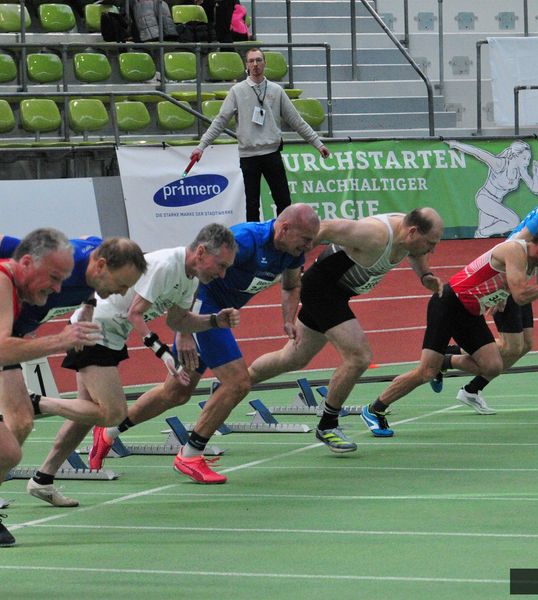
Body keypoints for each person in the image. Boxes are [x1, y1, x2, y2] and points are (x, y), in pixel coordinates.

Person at [88, 204, 320, 485]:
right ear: (284, 228)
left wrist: (288, 319)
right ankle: (191, 454)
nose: (309, 246)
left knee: (176, 391)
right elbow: (198, 271)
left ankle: (109, 431)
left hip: (215, 317)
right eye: (305, 239)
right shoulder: (246, 240)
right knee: (238, 382)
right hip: (203, 308)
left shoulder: (292, 252)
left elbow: (291, 285)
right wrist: (185, 330)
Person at [28, 224, 240, 508]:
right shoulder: (167, 265)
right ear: (201, 252)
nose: (222, 274)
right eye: (221, 265)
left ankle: (42, 479)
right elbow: (135, 313)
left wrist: (214, 320)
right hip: (94, 332)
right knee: (113, 413)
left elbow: (178, 321)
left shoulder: (190, 279)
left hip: (112, 337)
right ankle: (36, 403)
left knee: (84, 413)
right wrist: (163, 353)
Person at [249, 209, 444, 453]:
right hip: (321, 290)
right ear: (413, 232)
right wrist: (290, 262)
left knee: (292, 358)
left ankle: (238, 382)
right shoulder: (374, 234)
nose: (432, 250)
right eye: (430, 243)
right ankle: (328, 425)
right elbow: (324, 228)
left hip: (336, 295)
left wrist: (425, 275)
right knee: (359, 357)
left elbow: (415, 251)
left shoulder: (408, 238)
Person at [361, 225, 538, 437]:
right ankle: (374, 409)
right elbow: (521, 296)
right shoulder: (515, 250)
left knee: (493, 367)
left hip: (470, 313)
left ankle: (445, 361)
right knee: (426, 372)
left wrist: (500, 296)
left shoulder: (531, 262)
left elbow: (504, 284)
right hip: (448, 304)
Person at [0, 234, 147, 506]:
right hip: (6, 340)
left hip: (14, 339)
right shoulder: (60, 259)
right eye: (121, 284)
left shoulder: (96, 257)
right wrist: (60, 340)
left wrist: (89, 305)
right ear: (101, 266)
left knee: (20, 425)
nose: (123, 292)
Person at [432, 176, 538, 413]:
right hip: (510, 280)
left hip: (519, 281)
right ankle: (444, 359)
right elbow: (515, 243)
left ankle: (471, 389)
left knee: (526, 344)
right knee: (510, 347)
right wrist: (502, 290)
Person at [0, 228, 105, 547]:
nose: (58, 289)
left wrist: (88, 304)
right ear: (26, 262)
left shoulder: (85, 261)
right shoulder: (4, 277)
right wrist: (60, 340)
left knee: (9, 448)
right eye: (53, 278)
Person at [190, 47, 331, 222]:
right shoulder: (236, 91)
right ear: (246, 65)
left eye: (258, 60)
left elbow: (296, 120)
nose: (255, 64)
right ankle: (254, 237)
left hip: (272, 153)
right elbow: (220, 121)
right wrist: (201, 146)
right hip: (249, 156)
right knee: (252, 204)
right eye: (251, 61)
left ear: (265, 63)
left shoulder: (276, 90)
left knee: (284, 202)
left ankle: (284, 236)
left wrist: (318, 143)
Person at [446, 139, 538, 238]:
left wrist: (537, 176)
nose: (527, 162)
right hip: (484, 198)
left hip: (496, 202)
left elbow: (535, 190)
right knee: (514, 221)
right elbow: (478, 153)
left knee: (480, 235)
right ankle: (483, 232)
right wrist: (456, 144)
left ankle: (481, 234)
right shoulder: (500, 164)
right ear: (515, 155)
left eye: (528, 159)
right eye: (524, 158)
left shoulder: (521, 171)